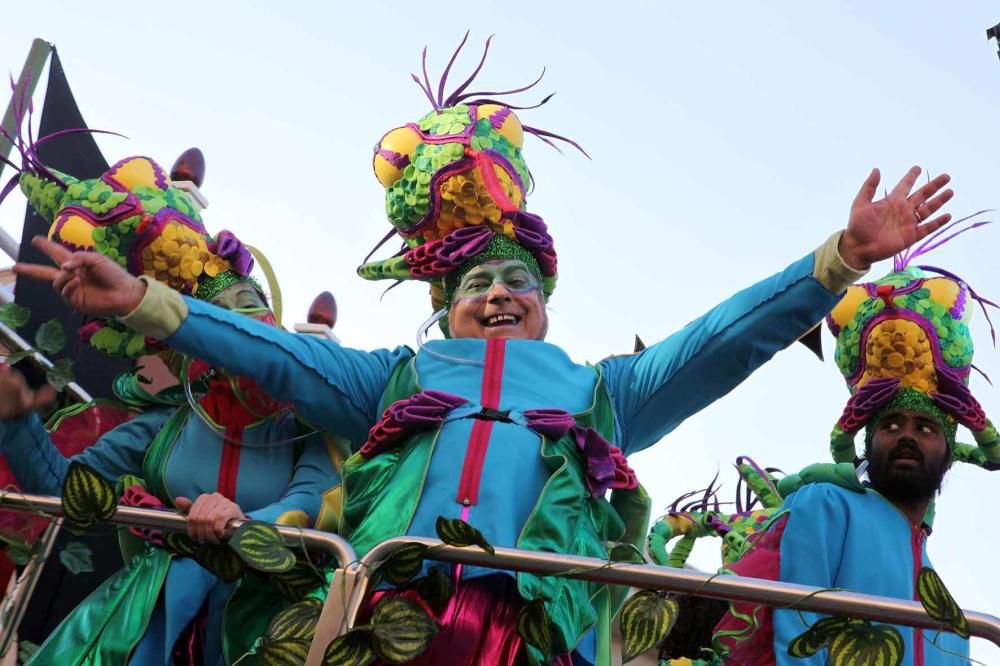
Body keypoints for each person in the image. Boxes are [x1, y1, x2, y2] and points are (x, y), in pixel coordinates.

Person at [13, 42, 956, 664]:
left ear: (544, 305)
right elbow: (272, 356)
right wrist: (144, 301)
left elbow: (717, 342)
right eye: (475, 285)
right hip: (388, 610)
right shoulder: (394, 377)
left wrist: (837, 262)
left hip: (534, 630)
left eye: (518, 283)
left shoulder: (603, 393)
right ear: (446, 307)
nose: (498, 293)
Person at [0, 156, 343, 665]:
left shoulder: (313, 425)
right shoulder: (166, 427)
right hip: (147, 625)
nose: (241, 330)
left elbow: (317, 502)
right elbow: (64, 491)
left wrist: (239, 522)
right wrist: (17, 420)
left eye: (249, 305)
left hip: (258, 629)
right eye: (215, 323)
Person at [713, 253, 1000, 665]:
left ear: (950, 451)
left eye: (925, 428)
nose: (905, 436)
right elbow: (799, 635)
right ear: (867, 440)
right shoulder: (827, 503)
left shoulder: (954, 624)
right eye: (890, 425)